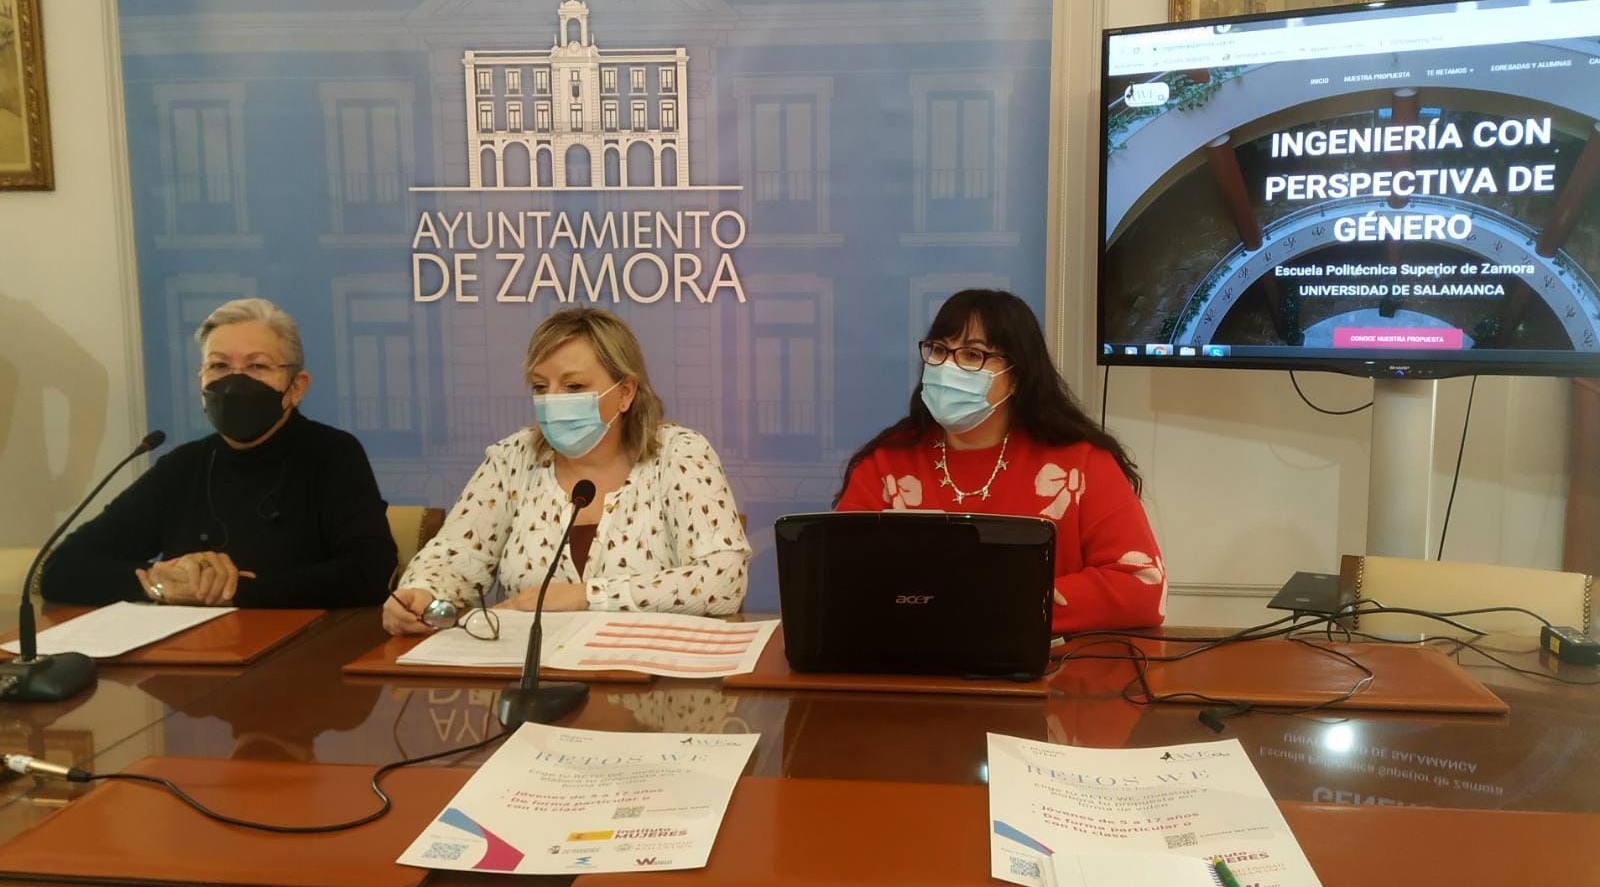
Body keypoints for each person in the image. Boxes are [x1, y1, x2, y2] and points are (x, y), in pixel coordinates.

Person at [384, 308, 749, 635]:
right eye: (541, 387)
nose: (552, 400)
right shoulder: (513, 458)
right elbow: (454, 557)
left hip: (651, 684)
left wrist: (586, 597)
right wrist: (420, 593)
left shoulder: (679, 454)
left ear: (624, 393)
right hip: (530, 678)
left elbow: (723, 580)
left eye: (573, 387)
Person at [834, 289, 1165, 633]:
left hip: (1047, 676)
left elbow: (1144, 587)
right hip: (910, 668)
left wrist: (1004, 606)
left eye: (972, 354)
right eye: (939, 350)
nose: (948, 366)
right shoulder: (886, 464)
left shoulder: (1081, 463)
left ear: (1016, 376)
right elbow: (837, 580)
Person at [40, 298, 397, 608]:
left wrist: (238, 591)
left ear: (296, 387)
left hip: (298, 658)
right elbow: (61, 570)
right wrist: (161, 582)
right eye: (219, 366)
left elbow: (370, 573)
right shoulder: (183, 466)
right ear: (201, 380)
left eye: (257, 366)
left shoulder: (333, 454)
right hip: (191, 661)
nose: (234, 381)